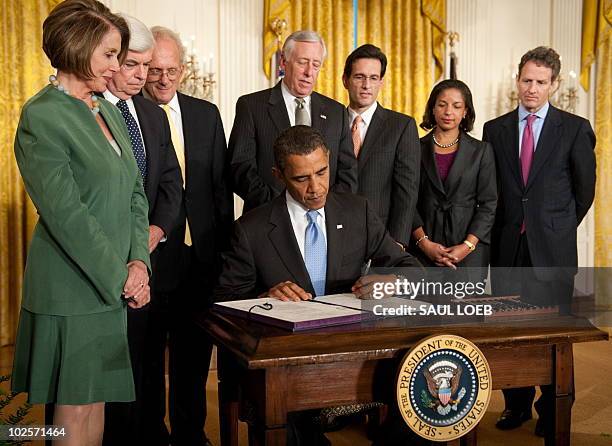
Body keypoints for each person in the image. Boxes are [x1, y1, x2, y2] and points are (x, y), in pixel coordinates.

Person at [10, 1, 151, 445]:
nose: (116, 67)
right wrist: (121, 276)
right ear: (77, 47)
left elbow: (134, 192)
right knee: (73, 407)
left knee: (97, 402)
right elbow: (67, 215)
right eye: (109, 54)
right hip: (72, 286)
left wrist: (140, 263)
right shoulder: (43, 115)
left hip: (113, 284)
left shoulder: (105, 109)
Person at [483, 46, 596, 436]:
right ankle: (516, 406)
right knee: (510, 335)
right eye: (527, 80)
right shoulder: (494, 130)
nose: (532, 88)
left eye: (541, 82)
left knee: (553, 337)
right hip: (507, 250)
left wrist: (554, 227)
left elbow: (584, 192)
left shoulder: (575, 128)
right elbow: (493, 190)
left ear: (554, 84)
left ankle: (552, 412)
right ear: (517, 79)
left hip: (552, 251)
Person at [142, 26, 234, 446]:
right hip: (152, 259)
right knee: (147, 359)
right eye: (155, 70)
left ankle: (190, 434)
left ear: (183, 70)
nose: (163, 79)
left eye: (171, 71)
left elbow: (218, 190)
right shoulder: (128, 116)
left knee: (193, 359)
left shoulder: (206, 114)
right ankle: (150, 434)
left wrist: (224, 255)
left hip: (201, 260)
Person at [101, 14, 182, 445]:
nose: (142, 76)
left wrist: (157, 231)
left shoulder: (153, 115)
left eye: (146, 66)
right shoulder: (88, 110)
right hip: (101, 261)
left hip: (148, 261)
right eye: (132, 64)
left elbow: (171, 185)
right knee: (99, 376)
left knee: (145, 364)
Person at [228, 30, 357, 213]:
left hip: (322, 219)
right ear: (283, 61)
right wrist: (281, 206)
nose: (309, 72)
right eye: (302, 62)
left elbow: (348, 173)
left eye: (316, 65)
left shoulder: (336, 112)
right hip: (268, 218)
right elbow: (240, 167)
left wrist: (321, 207)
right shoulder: (251, 106)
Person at [412, 79, 496, 281]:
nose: (448, 111)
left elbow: (488, 204)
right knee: (421, 311)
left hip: (469, 254)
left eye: (456, 106)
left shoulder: (482, 151)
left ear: (465, 111)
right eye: (442, 105)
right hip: (422, 252)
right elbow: (407, 201)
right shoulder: (414, 147)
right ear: (432, 108)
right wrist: (424, 243)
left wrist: (467, 246)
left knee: (465, 312)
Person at [342, 44, 420, 248]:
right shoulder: (330, 121)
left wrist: (398, 241)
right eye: (359, 77)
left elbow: (407, 190)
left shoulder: (401, 126)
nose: (366, 85)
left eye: (373, 78)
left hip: (381, 235)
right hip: (335, 233)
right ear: (345, 81)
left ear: (381, 82)